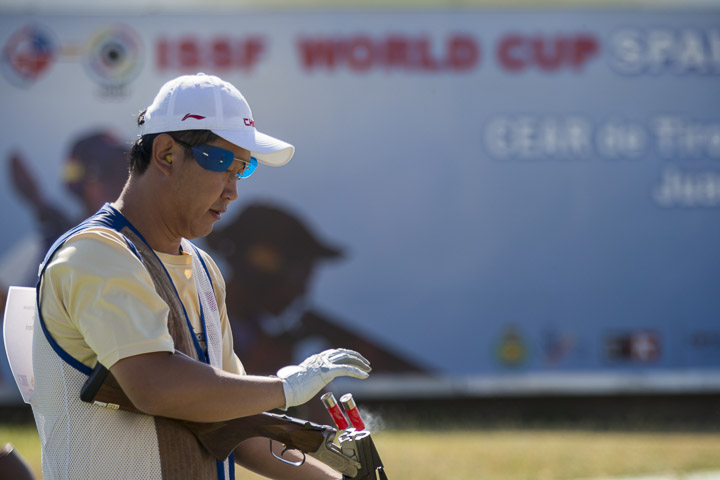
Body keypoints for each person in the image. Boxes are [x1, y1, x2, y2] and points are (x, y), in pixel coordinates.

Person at [29, 73, 370, 479]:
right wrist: (287, 388)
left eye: (242, 169)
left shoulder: (203, 268)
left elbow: (235, 424)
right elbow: (153, 385)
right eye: (223, 164)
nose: (233, 190)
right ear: (166, 154)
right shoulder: (95, 253)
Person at [207, 202, 430, 377]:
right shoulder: (202, 324)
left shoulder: (253, 333)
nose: (303, 292)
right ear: (264, 266)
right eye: (301, 277)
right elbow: (215, 400)